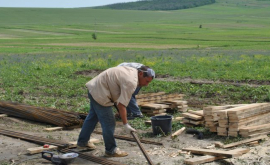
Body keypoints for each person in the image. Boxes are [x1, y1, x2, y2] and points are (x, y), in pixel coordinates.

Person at [77, 65, 155, 157]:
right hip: (101, 93)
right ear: (141, 73)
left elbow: (119, 100)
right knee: (109, 123)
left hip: (95, 88)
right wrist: (125, 124)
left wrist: (121, 112)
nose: (146, 84)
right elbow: (121, 105)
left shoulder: (133, 71)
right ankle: (111, 150)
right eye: (146, 81)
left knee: (92, 117)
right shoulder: (131, 82)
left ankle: (82, 142)